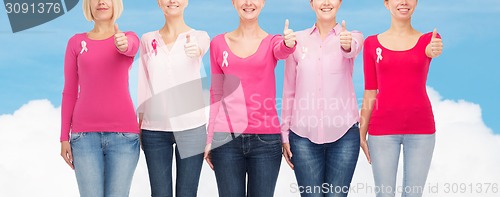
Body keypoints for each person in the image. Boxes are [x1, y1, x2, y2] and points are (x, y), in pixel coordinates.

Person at [203, 0, 297, 196]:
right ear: (233, 2)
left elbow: (283, 50)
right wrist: (210, 137)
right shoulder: (218, 43)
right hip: (225, 140)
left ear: (262, 3)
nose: (248, 3)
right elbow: (216, 93)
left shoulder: (273, 42)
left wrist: (289, 44)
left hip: (266, 142)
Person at [360, 0, 443, 196]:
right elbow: (370, 91)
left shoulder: (428, 40)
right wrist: (362, 132)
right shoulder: (371, 44)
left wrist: (434, 50)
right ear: (386, 3)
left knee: (413, 194)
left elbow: (433, 50)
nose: (404, 2)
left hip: (421, 130)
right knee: (384, 193)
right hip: (381, 132)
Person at [280, 0, 364, 196]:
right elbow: (289, 90)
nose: (326, 2)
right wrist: (284, 133)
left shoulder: (353, 36)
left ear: (340, 3)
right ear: (311, 4)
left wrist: (346, 44)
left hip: (344, 135)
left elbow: (352, 47)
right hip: (302, 138)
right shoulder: (297, 41)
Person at [59, 0, 141, 196]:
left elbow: (130, 47)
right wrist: (64, 137)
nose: (101, 2)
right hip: (83, 138)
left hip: (124, 138)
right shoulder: (76, 42)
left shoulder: (128, 37)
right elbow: (69, 90)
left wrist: (123, 43)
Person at [137, 0, 210, 196]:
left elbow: (201, 48)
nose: (172, 1)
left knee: (187, 193)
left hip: (192, 129)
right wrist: (141, 122)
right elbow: (144, 82)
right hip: (154, 130)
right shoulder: (146, 39)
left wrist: (196, 50)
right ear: (159, 3)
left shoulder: (199, 37)